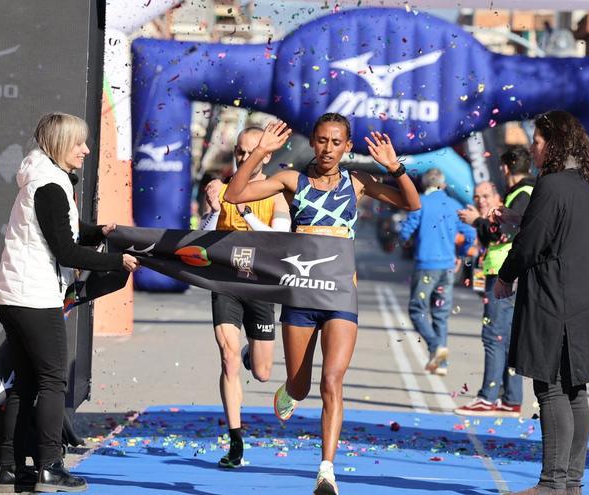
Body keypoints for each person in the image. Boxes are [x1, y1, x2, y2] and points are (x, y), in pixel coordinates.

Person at [224, 113, 420, 495]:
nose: (328, 149)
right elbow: (233, 196)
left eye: (336, 143)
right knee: (301, 386)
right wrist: (260, 151)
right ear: (312, 142)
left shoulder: (357, 182)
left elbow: (410, 203)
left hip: (341, 293)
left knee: (332, 380)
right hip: (301, 292)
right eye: (321, 141)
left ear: (347, 146)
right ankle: (290, 391)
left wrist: (395, 167)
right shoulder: (291, 180)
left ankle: (326, 471)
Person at [0, 112, 139, 493]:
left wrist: (98, 231)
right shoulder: (50, 186)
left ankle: (11, 470)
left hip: (13, 295)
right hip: (33, 297)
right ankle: (50, 467)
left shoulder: (41, 178)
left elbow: (62, 231)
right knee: (52, 382)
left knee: (24, 385)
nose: (86, 150)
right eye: (79, 143)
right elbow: (65, 250)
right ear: (59, 144)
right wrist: (115, 260)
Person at [493, 110, 589, 495]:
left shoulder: (552, 184)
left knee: (551, 389)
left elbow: (532, 244)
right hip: (587, 301)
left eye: (538, 141)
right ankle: (571, 484)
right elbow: (551, 229)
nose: (533, 147)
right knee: (575, 391)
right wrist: (519, 218)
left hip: (556, 302)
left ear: (555, 144)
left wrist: (505, 274)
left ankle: (551, 484)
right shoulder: (585, 185)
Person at [200, 127, 291, 469]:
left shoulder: (276, 194)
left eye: (249, 152)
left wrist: (246, 210)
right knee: (227, 358)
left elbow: (279, 239)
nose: (242, 158)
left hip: (259, 287)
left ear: (265, 156)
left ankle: (250, 349)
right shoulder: (219, 189)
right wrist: (212, 209)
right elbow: (199, 235)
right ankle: (235, 440)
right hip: (225, 282)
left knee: (264, 372)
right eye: (238, 151)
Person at [455, 147, 535, 416]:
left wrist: (477, 220)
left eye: (484, 196)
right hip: (507, 273)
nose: (480, 200)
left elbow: (504, 233)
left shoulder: (522, 193)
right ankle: (511, 398)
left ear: (505, 168)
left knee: (494, 336)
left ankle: (488, 397)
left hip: (506, 274)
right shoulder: (526, 192)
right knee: (508, 337)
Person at [398, 168, 475, 376]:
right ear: (444, 185)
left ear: (424, 184)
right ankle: (440, 363)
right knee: (440, 314)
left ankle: (435, 347)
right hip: (448, 266)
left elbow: (405, 231)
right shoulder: (454, 205)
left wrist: (405, 241)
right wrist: (460, 253)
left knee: (417, 310)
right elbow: (470, 233)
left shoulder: (420, 203)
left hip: (426, 264)